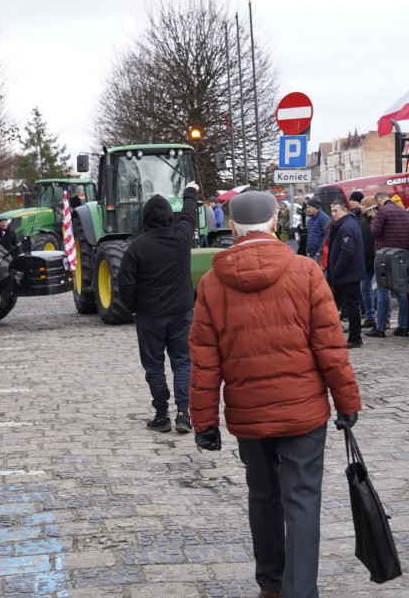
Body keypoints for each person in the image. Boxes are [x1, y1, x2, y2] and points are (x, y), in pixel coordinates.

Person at [189, 191, 362, 598]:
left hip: (249, 414)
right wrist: (347, 402)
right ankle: (300, 591)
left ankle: (271, 585)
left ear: (232, 227)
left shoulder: (213, 283)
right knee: (302, 500)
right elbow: (330, 346)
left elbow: (204, 360)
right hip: (303, 412)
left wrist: (205, 421)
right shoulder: (304, 271)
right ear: (274, 223)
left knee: (263, 496)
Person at [117, 181, 201, 434]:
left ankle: (161, 414)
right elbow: (189, 213)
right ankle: (184, 414)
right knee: (182, 363)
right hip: (181, 312)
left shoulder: (136, 247)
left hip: (149, 315)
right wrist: (190, 191)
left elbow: (125, 284)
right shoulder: (182, 236)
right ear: (169, 217)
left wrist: (133, 308)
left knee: (154, 365)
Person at [366, 191, 409, 338]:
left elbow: (375, 233)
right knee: (401, 291)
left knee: (383, 291)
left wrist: (373, 218)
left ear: (378, 200)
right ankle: (403, 327)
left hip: (384, 255)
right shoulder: (403, 211)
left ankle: (380, 328)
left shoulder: (382, 211)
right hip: (401, 254)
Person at [327, 198, 366, 348]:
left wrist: (336, 270)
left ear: (345, 210)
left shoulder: (347, 226)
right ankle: (333, 336)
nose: (333, 214)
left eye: (336, 211)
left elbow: (347, 252)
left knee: (351, 307)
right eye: (332, 211)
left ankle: (355, 338)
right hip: (344, 274)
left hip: (347, 274)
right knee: (335, 306)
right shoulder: (344, 224)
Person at [357, 196, 378, 328]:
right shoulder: (362, 221)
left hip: (377, 259)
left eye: (363, 205)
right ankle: (370, 316)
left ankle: (383, 319)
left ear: (369, 206)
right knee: (364, 288)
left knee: (384, 290)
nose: (360, 207)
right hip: (365, 261)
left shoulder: (376, 221)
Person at [304, 196, 330, 264]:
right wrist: (307, 251)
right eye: (307, 207)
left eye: (309, 207)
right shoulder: (310, 219)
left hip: (319, 255)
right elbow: (309, 235)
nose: (307, 209)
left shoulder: (324, 218)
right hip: (311, 254)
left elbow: (327, 235)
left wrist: (320, 252)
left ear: (315, 208)